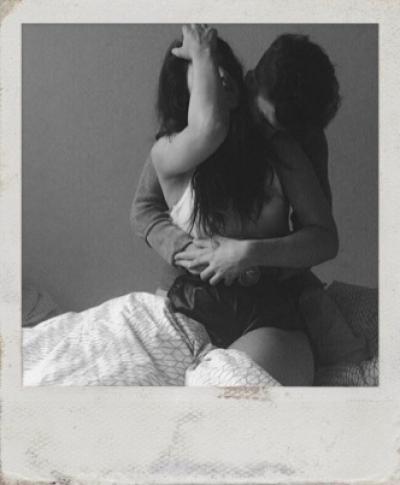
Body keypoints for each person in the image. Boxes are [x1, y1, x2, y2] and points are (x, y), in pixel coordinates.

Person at [131, 28, 369, 372]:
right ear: (248, 82)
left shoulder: (297, 142)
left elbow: (319, 235)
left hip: (268, 290)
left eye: (286, 133)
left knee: (333, 352)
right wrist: (189, 251)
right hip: (192, 288)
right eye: (266, 123)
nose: (271, 135)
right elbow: (144, 208)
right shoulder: (178, 145)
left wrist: (249, 255)